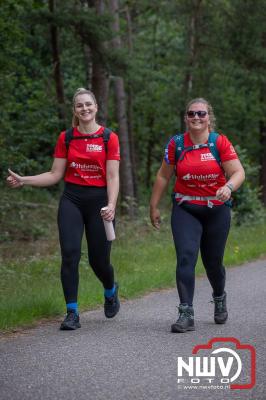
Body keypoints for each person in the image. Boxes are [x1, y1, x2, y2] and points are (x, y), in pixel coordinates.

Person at [6, 87, 120, 330]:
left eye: (88, 104)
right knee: (69, 254)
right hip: (72, 199)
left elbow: (112, 176)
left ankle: (110, 290)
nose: (85, 109)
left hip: (100, 201)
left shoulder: (108, 137)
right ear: (74, 110)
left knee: (99, 261)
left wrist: (111, 205)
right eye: (80, 106)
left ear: (96, 107)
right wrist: (24, 180)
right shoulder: (66, 138)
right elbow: (54, 174)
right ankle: (72, 312)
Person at [150, 98, 245, 333]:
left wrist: (228, 187)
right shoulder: (177, 144)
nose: (196, 118)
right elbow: (163, 176)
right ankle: (186, 313)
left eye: (201, 114)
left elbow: (238, 172)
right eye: (191, 114)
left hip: (216, 210)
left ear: (208, 117)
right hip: (186, 208)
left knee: (213, 263)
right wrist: (153, 205)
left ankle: (219, 296)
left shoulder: (219, 143)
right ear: (186, 117)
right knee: (186, 257)